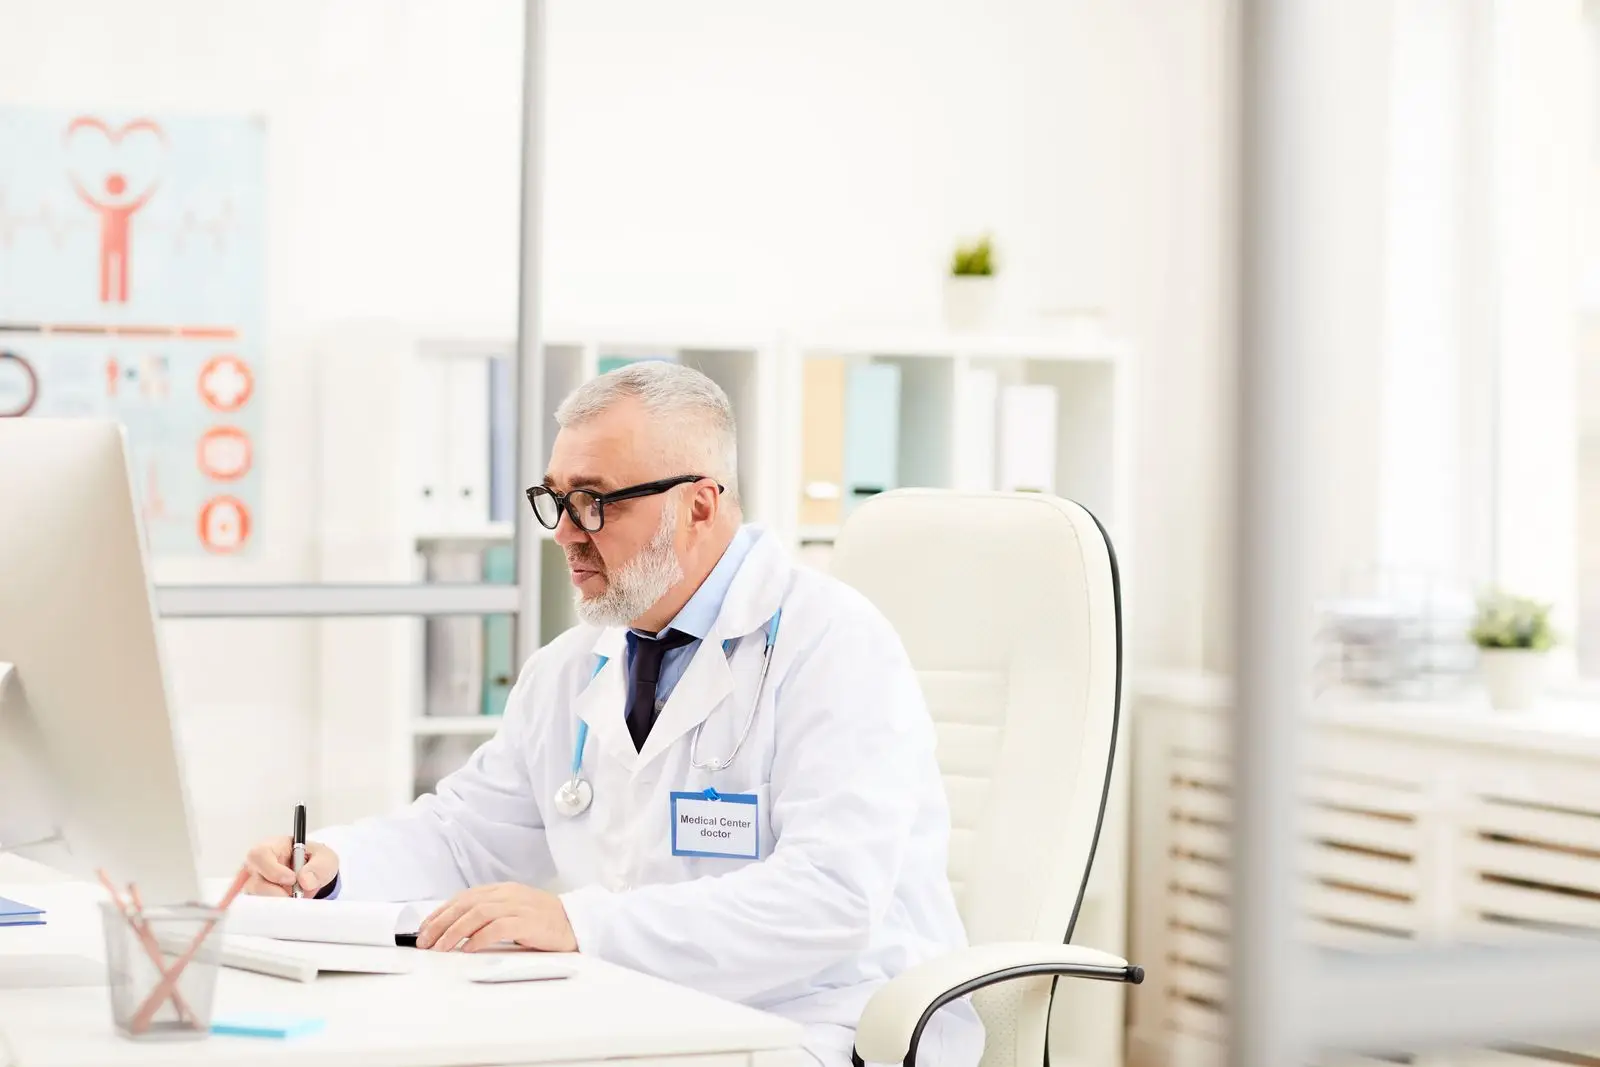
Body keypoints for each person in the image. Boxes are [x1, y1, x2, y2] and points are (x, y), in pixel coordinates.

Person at [241, 362, 983, 1067]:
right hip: (642, 1009)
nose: (564, 530)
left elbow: (831, 892)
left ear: (698, 504)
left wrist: (579, 924)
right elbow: (466, 836)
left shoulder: (831, 643)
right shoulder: (576, 663)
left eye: (594, 499)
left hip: (822, 1022)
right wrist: (333, 867)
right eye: (555, 498)